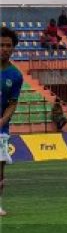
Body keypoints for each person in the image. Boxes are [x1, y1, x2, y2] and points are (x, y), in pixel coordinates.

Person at [0, 27, 23, 216]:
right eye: (1, 45)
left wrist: (3, 120)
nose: (4, 49)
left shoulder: (16, 76)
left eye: (8, 45)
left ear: (13, 48)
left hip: (1, 128)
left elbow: (12, 103)